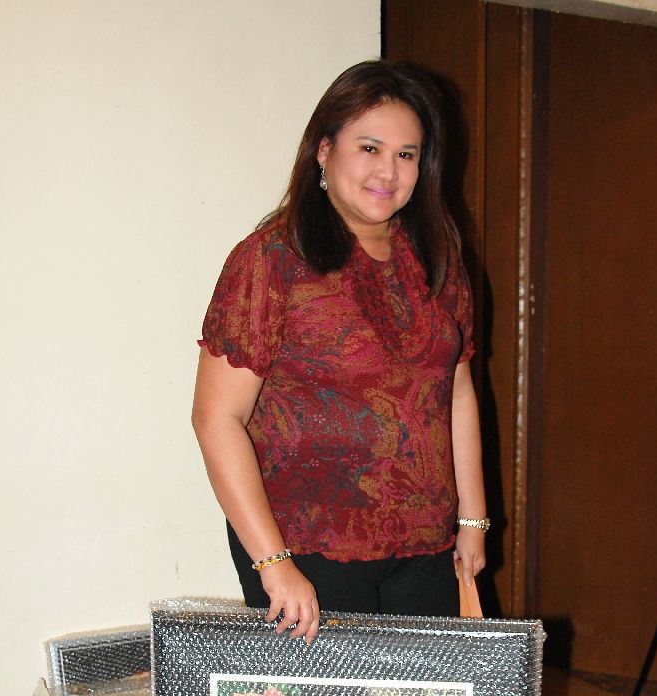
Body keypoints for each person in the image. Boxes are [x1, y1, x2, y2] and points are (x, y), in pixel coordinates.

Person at [192, 60, 487, 644]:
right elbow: (216, 418)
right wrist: (274, 564)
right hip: (307, 546)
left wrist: (472, 520)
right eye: (370, 148)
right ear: (324, 150)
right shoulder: (272, 258)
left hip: (425, 544)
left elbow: (454, 393)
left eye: (407, 154)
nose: (388, 171)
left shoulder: (437, 258)